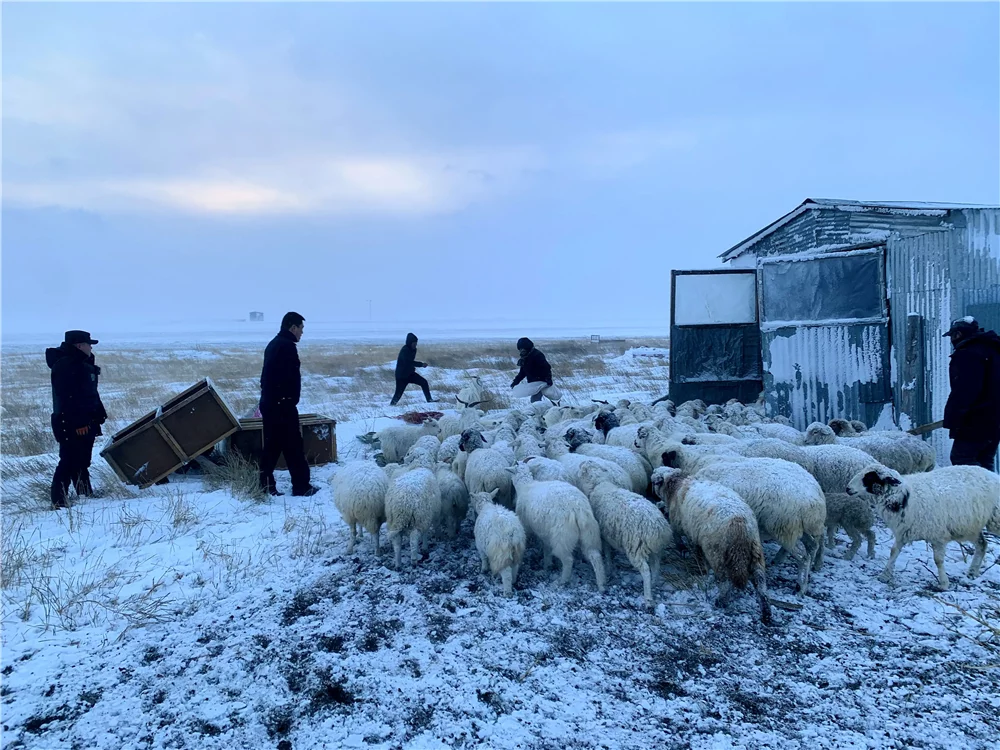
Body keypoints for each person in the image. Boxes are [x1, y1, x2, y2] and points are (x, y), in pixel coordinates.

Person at [258, 312, 319, 496]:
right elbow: (283, 379)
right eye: (301, 328)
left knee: (273, 445)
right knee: (293, 446)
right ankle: (301, 487)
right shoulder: (286, 347)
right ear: (292, 327)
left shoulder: (274, 344)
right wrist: (285, 400)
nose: (302, 333)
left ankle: (266, 485)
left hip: (273, 404)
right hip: (281, 406)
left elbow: (266, 378)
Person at [46, 330, 107, 509]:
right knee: (69, 461)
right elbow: (68, 398)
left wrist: (97, 414)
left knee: (81, 461)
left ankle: (84, 494)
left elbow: (88, 394)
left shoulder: (80, 363)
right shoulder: (67, 366)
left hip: (84, 421)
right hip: (72, 423)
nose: (91, 347)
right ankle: (59, 501)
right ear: (79, 346)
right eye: (89, 344)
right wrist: (79, 422)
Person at [942, 316, 1000, 471]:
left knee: (963, 460)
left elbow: (964, 392)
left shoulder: (967, 355)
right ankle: (993, 494)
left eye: (953, 335)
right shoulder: (993, 350)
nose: (952, 340)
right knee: (985, 461)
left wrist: (953, 420)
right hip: (995, 420)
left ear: (959, 334)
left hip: (976, 420)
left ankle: (979, 495)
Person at [390, 332, 437, 406]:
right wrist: (421, 364)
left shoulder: (414, 350)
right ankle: (392, 405)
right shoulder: (405, 350)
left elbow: (410, 363)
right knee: (398, 393)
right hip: (401, 376)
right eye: (414, 343)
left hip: (409, 374)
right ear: (409, 343)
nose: (415, 345)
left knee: (424, 382)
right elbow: (408, 362)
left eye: (416, 343)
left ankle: (429, 399)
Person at [510, 337, 553, 403]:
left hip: (542, 381)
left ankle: (556, 409)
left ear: (528, 348)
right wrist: (516, 382)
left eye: (524, 349)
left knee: (550, 397)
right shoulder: (524, 358)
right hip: (533, 383)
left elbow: (546, 367)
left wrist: (548, 378)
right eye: (520, 349)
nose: (522, 351)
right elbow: (523, 372)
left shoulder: (537, 355)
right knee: (535, 400)